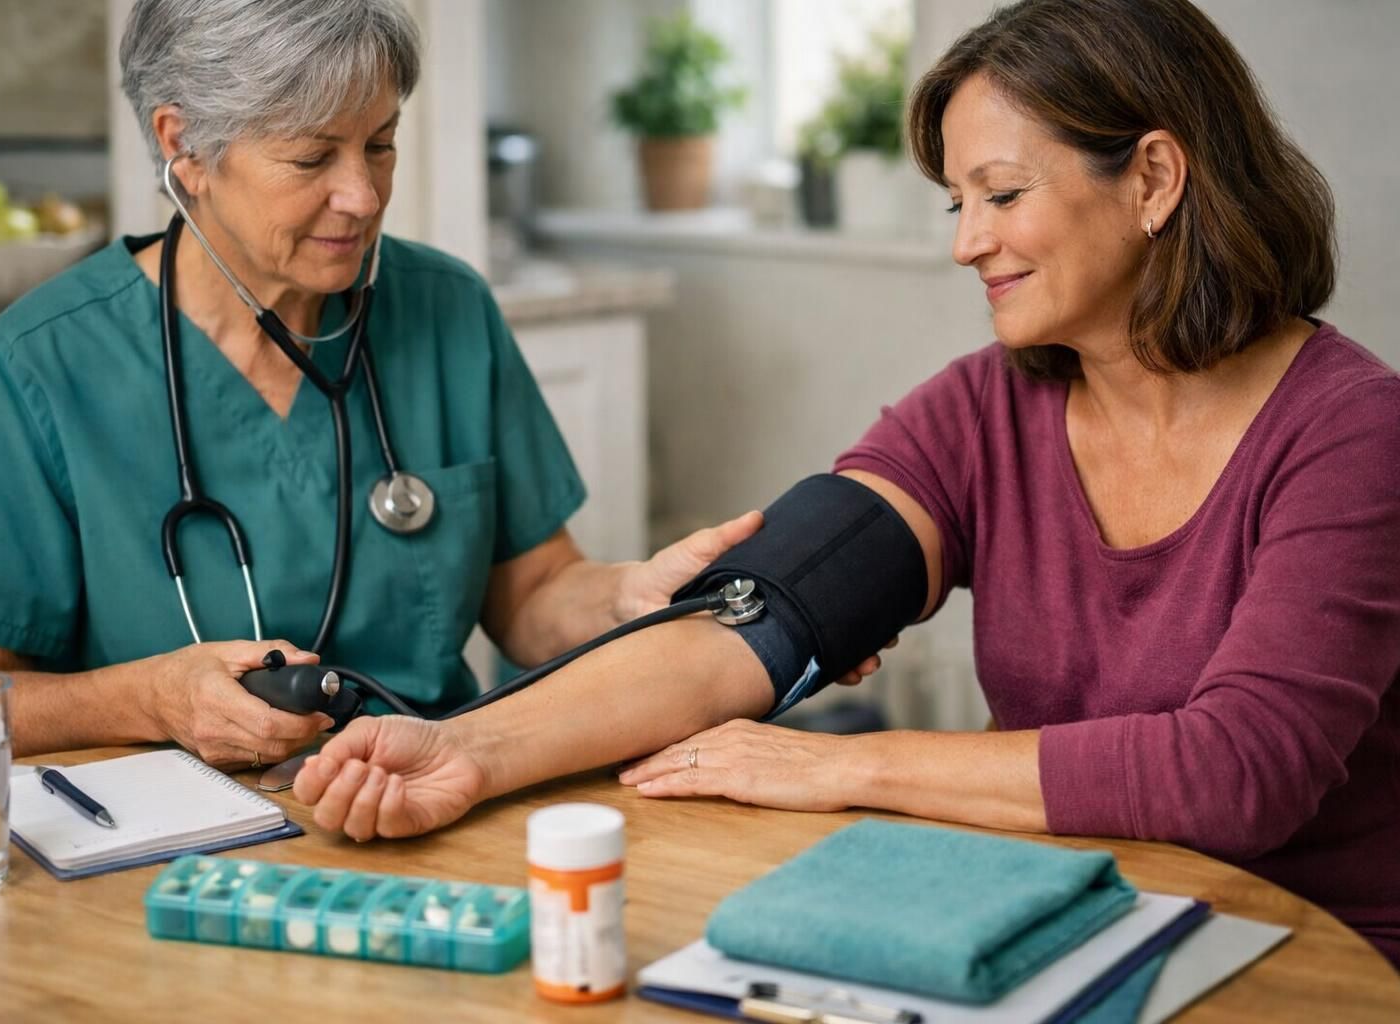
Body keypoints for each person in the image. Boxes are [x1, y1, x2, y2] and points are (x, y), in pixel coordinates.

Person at [293, 0, 1400, 965]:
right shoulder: (984, 410)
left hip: (1320, 954)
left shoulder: (1349, 433)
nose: (968, 243)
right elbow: (753, 620)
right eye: (953, 202)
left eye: (1002, 194)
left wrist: (847, 767)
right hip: (1067, 926)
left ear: (1154, 176)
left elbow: (1238, 772)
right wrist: (470, 752)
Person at [0, 0, 882, 769]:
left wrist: (632, 595)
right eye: (312, 155)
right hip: (164, 855)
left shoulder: (444, 309)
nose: (362, 196)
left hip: (436, 792)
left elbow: (531, 596)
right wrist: (145, 701)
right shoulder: (39, 367)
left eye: (381, 141)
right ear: (184, 147)